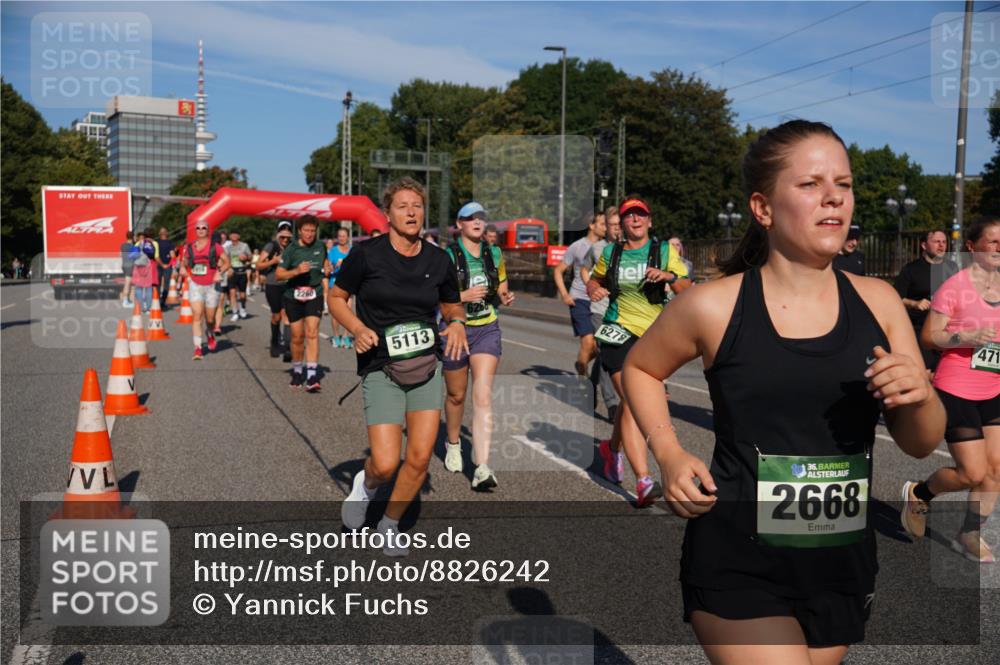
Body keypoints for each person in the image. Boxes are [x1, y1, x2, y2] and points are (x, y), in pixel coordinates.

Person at [623, 120, 944, 662]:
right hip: (738, 555)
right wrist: (670, 453)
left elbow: (918, 443)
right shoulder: (713, 305)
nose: (834, 198)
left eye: (843, 184)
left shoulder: (880, 301)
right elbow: (640, 368)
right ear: (763, 207)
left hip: (840, 557)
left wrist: (922, 397)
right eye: (811, 184)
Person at [332, 177, 466, 556]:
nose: (411, 212)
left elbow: (451, 304)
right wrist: (357, 328)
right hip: (381, 367)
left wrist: (455, 321)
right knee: (386, 462)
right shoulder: (367, 255)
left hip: (425, 366)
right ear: (387, 214)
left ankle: (389, 525)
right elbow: (337, 297)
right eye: (403, 206)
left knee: (421, 457)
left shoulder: (438, 259)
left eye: (417, 206)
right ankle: (367, 484)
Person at [902, 217, 1000, 563]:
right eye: (993, 242)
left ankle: (969, 533)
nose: (999, 248)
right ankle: (920, 493)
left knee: (997, 469)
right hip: (956, 386)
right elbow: (930, 336)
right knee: (972, 473)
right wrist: (965, 337)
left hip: (994, 387)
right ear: (972, 247)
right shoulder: (955, 286)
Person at [587, 196, 690, 506]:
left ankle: (611, 449)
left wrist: (670, 277)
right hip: (617, 332)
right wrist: (596, 289)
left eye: (640, 215)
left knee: (631, 406)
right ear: (623, 222)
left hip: (654, 339)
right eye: (629, 215)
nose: (635, 220)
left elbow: (687, 289)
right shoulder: (611, 252)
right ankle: (644, 481)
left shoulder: (663, 251)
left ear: (649, 221)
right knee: (633, 399)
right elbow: (594, 281)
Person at [442, 202, 515, 490]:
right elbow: (439, 296)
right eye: (469, 218)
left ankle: (482, 467)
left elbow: (501, 287)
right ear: (458, 225)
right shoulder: (447, 256)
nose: (476, 221)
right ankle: (453, 443)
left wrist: (506, 296)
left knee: (482, 396)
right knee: (456, 395)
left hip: (487, 328)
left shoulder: (494, 253)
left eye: (480, 217)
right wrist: (464, 295)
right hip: (455, 331)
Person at [276, 215, 329, 392]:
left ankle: (312, 374)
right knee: (297, 336)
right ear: (299, 231)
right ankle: (298, 370)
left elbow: (325, 263)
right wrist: (297, 271)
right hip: (293, 295)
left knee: (312, 332)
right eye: (306, 230)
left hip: (314, 293)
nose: (309, 234)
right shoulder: (291, 250)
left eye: (312, 231)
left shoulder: (320, 246)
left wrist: (328, 268)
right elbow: (279, 274)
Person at [894, 229, 960, 372]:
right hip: (920, 329)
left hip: (946, 329)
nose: (941, 245)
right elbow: (895, 297)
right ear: (924, 245)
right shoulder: (911, 269)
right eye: (937, 242)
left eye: (944, 242)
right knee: (925, 372)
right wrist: (914, 303)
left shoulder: (952, 268)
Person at [555, 214, 606, 376]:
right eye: (603, 224)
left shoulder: (607, 247)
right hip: (580, 298)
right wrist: (565, 294)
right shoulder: (577, 246)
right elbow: (558, 270)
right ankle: (583, 381)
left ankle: (581, 363)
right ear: (592, 226)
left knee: (600, 346)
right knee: (588, 341)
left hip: (600, 301)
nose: (606, 227)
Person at [584, 208, 621, 421]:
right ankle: (612, 403)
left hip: (622, 311)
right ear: (606, 227)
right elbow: (584, 270)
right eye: (612, 224)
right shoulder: (598, 249)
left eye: (619, 224)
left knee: (604, 354)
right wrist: (591, 289)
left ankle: (591, 383)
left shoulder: (629, 248)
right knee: (608, 352)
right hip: (600, 309)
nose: (616, 228)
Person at [179, 223, 230, 359]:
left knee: (210, 318)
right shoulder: (190, 247)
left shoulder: (215, 246)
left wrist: (219, 272)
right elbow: (184, 261)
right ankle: (198, 348)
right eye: (198, 228)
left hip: (212, 285)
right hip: (195, 284)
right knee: (197, 314)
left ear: (208, 230)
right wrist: (183, 268)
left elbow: (227, 262)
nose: (201, 230)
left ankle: (210, 334)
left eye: (204, 228)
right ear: (195, 231)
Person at [258, 221, 294, 358]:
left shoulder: (293, 246)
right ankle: (274, 342)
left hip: (289, 284)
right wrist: (273, 261)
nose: (285, 240)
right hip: (273, 284)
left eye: (287, 237)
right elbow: (258, 265)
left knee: (287, 314)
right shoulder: (271, 246)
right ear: (278, 235)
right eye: (282, 237)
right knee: (276, 316)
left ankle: (288, 346)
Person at [327, 227, 354, 349]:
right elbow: (328, 269)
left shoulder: (352, 251)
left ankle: (345, 337)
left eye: (344, 236)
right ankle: (336, 336)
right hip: (336, 285)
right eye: (340, 236)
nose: (342, 238)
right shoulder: (333, 251)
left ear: (348, 237)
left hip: (349, 285)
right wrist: (335, 265)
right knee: (336, 314)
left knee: (349, 313)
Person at [226, 230, 251, 321]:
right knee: (232, 293)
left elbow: (250, 257)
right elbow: (227, 260)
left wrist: (245, 257)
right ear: (230, 236)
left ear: (239, 236)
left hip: (242, 272)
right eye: (232, 234)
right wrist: (228, 269)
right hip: (232, 272)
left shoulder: (244, 246)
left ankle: (243, 308)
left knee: (242, 295)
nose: (234, 235)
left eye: (236, 234)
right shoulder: (228, 248)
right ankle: (235, 312)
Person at [130, 233, 158, 313]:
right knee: (148, 288)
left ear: (139, 238)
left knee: (139, 288)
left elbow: (132, 256)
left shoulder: (137, 244)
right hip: (148, 267)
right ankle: (148, 308)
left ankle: (141, 307)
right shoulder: (149, 244)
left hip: (138, 267)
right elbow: (154, 255)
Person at [155, 228, 176, 306]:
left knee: (157, 284)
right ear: (167, 234)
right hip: (167, 266)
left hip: (158, 265)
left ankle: (156, 301)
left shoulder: (156, 243)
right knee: (166, 284)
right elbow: (173, 255)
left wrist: (161, 264)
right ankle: (163, 302)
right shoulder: (170, 243)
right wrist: (169, 264)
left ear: (159, 234)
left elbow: (155, 256)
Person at [120, 230, 136, 307]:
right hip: (130, 266)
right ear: (133, 237)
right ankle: (125, 301)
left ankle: (127, 299)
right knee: (127, 283)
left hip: (124, 265)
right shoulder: (133, 247)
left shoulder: (122, 245)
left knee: (128, 283)